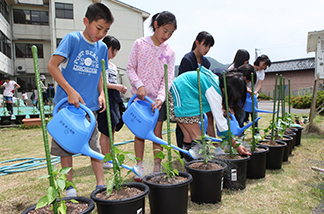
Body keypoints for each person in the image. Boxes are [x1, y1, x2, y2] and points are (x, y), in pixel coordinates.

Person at [47, 2, 113, 197]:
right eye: (98, 27)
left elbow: (100, 73)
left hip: (88, 107)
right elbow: (52, 66)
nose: (101, 33)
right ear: (86, 21)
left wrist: (101, 93)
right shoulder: (72, 39)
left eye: (106, 30)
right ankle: (69, 186)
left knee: (94, 147)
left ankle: (100, 184)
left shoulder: (102, 47)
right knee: (66, 147)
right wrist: (70, 90)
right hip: (66, 107)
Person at [127, 11, 177, 181]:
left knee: (157, 134)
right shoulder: (140, 44)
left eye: (171, 33)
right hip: (140, 100)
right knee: (140, 134)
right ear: (156, 25)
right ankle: (139, 166)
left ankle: (157, 166)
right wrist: (139, 85)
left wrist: (160, 98)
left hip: (157, 101)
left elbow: (168, 77)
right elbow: (130, 68)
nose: (167, 36)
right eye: (165, 30)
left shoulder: (169, 52)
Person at [169, 66, 251, 157]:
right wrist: (236, 145)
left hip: (182, 92)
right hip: (181, 95)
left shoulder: (216, 82)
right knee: (198, 139)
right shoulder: (215, 91)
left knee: (188, 136)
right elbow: (222, 126)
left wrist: (223, 106)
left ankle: (188, 162)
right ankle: (197, 165)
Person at [176, 31, 215, 157]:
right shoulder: (187, 59)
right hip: (186, 98)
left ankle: (197, 153)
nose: (207, 49)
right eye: (205, 45)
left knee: (200, 125)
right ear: (197, 42)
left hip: (199, 99)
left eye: (209, 46)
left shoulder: (206, 63)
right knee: (185, 126)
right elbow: (184, 82)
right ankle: (184, 153)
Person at [98, 35, 127, 169]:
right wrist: (117, 87)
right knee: (105, 129)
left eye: (116, 51)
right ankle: (105, 158)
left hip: (114, 97)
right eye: (113, 50)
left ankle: (111, 155)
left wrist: (118, 88)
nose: (114, 53)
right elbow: (101, 83)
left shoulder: (112, 65)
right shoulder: (100, 62)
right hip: (105, 96)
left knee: (113, 128)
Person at [246, 54, 271, 135]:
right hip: (245, 94)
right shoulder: (249, 68)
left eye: (265, 66)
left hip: (253, 95)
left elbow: (259, 84)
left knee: (254, 115)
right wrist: (247, 90)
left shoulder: (262, 72)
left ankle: (256, 132)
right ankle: (241, 134)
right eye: (263, 64)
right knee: (242, 115)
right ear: (259, 61)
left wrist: (255, 91)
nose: (263, 67)